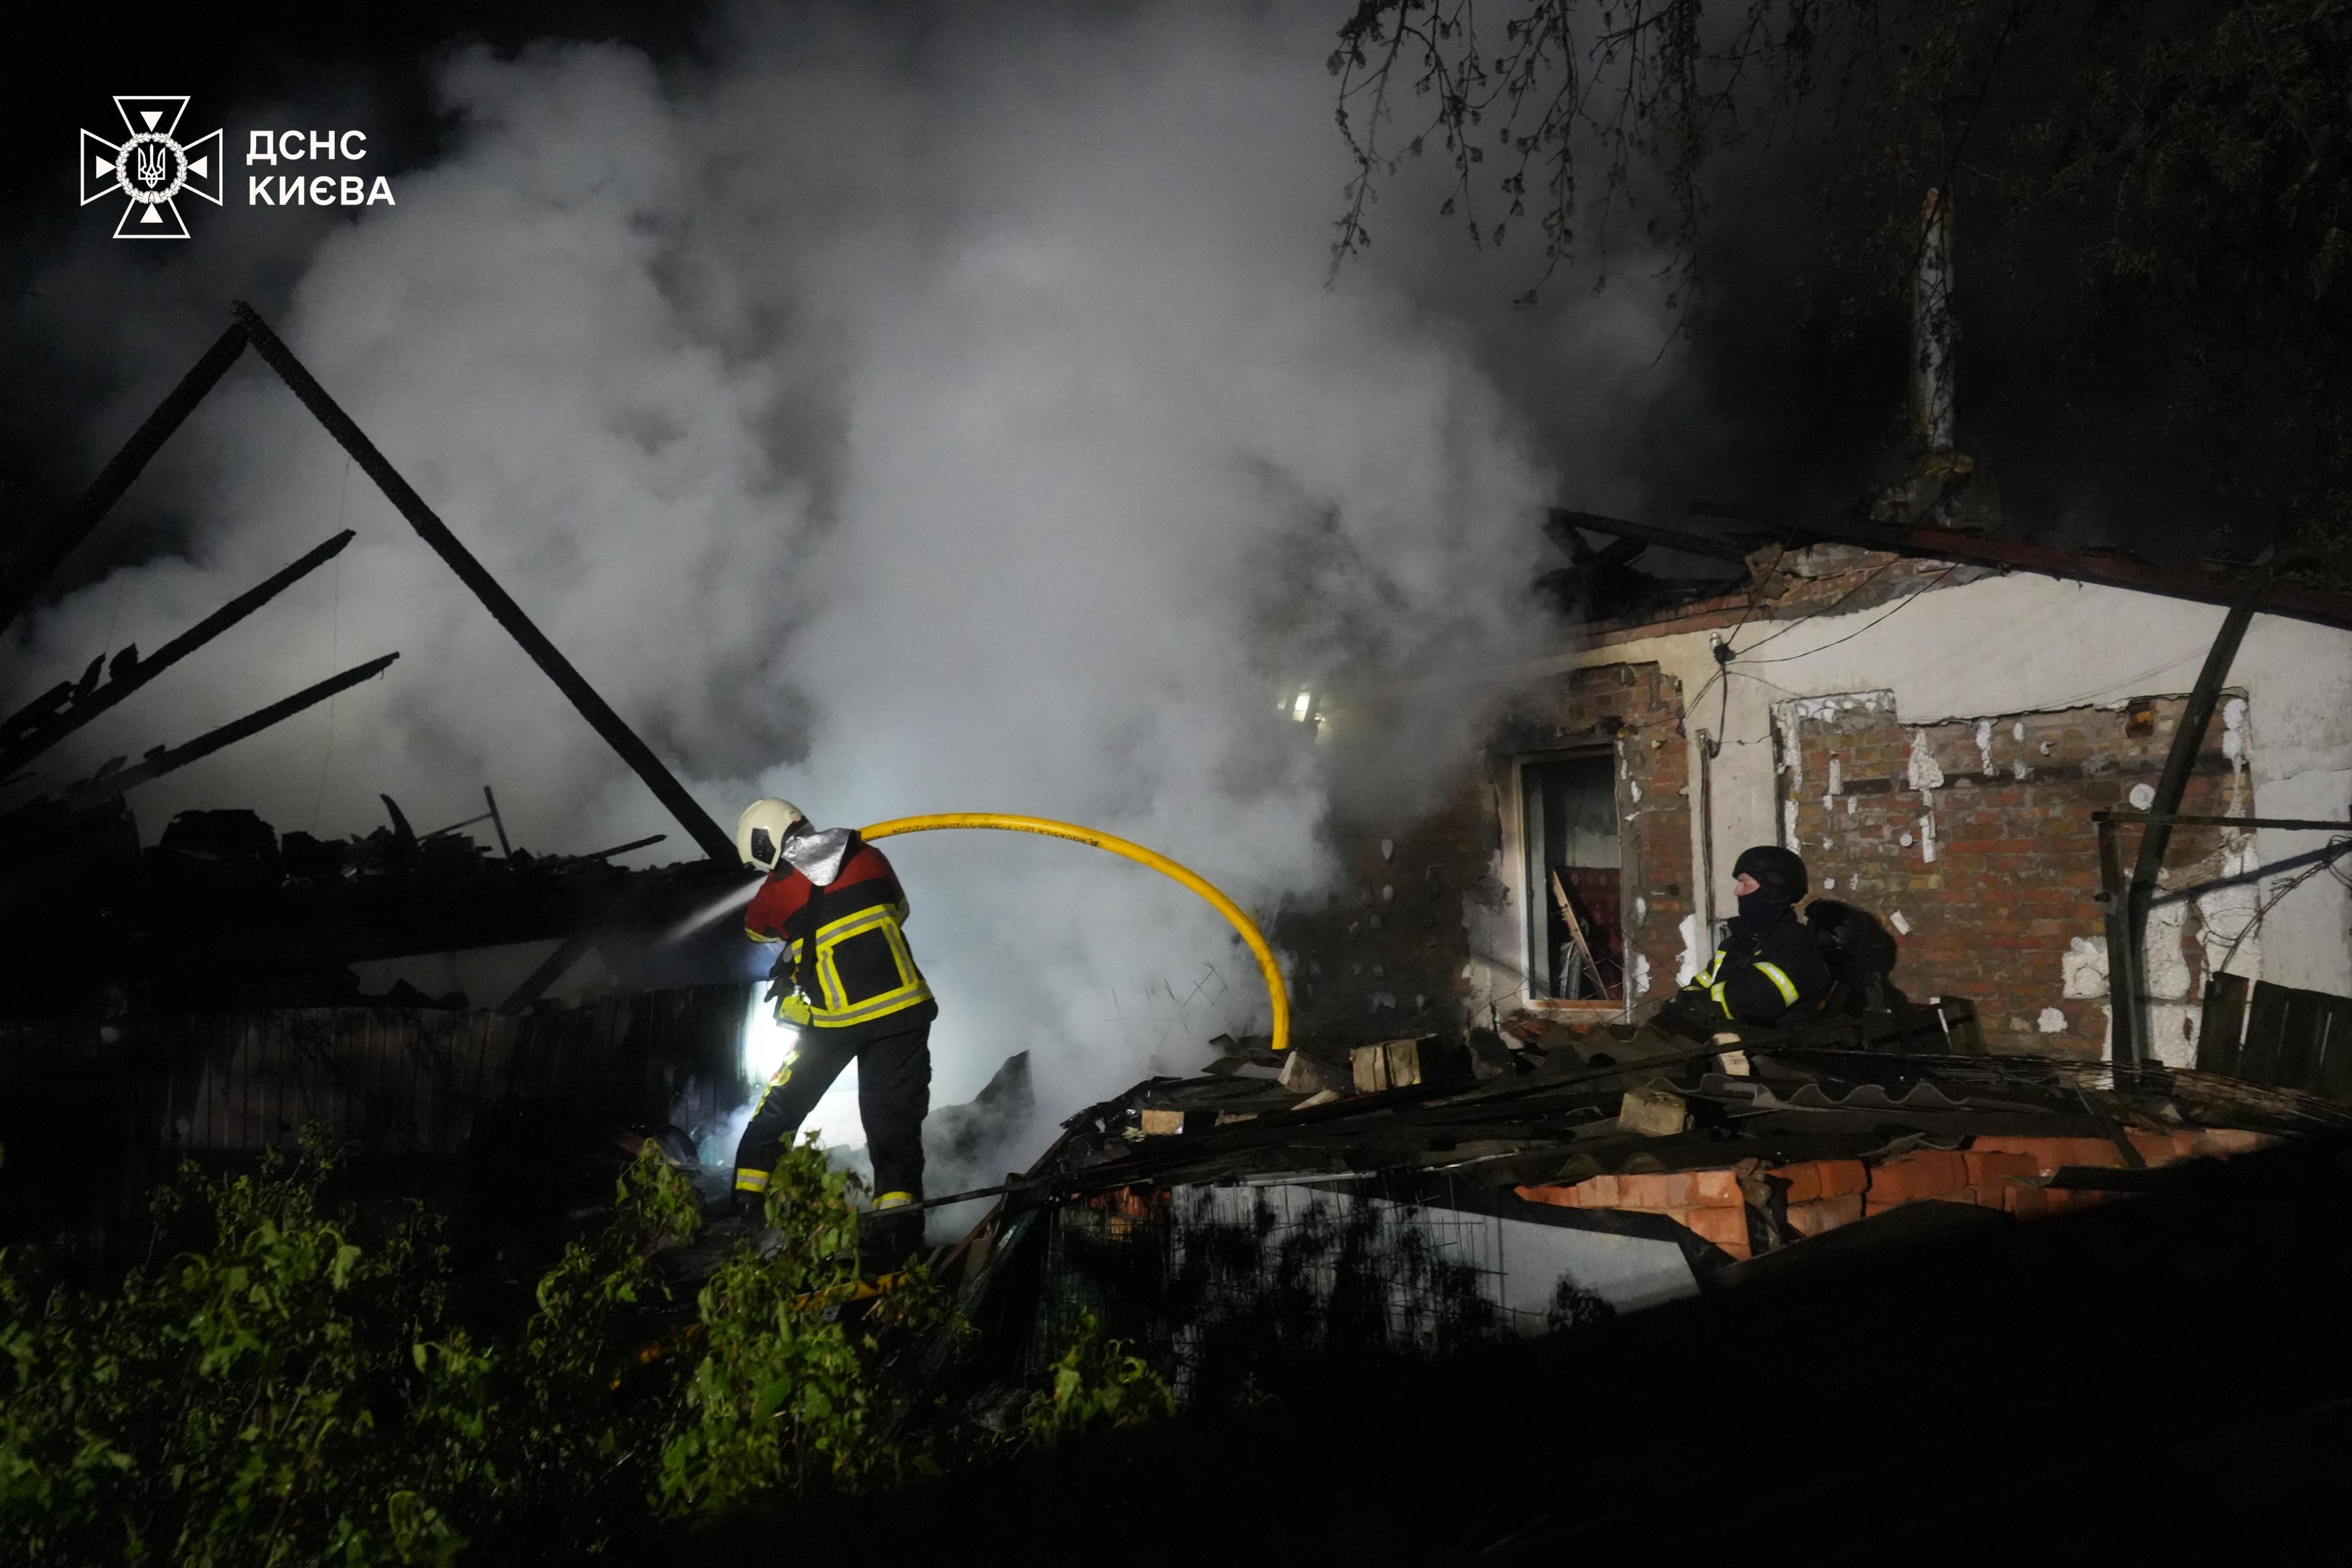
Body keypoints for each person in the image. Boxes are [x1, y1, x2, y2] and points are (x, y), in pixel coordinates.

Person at [730, 799, 937, 1261]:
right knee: (893, 1125)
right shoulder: (869, 855)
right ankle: (898, 1235)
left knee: (781, 1107)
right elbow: (899, 909)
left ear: (764, 842)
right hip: (902, 1010)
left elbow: (757, 931)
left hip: (833, 1021)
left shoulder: (775, 890)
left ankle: (744, 1209)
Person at [1678, 845, 1831, 1027]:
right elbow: (1705, 981)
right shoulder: (1740, 940)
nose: (1737, 891)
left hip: (1771, 1042)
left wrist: (1698, 1007)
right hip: (1727, 1035)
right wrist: (1680, 1004)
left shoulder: (1794, 943)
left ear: (1771, 890)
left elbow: (1757, 999)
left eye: (1745, 884)